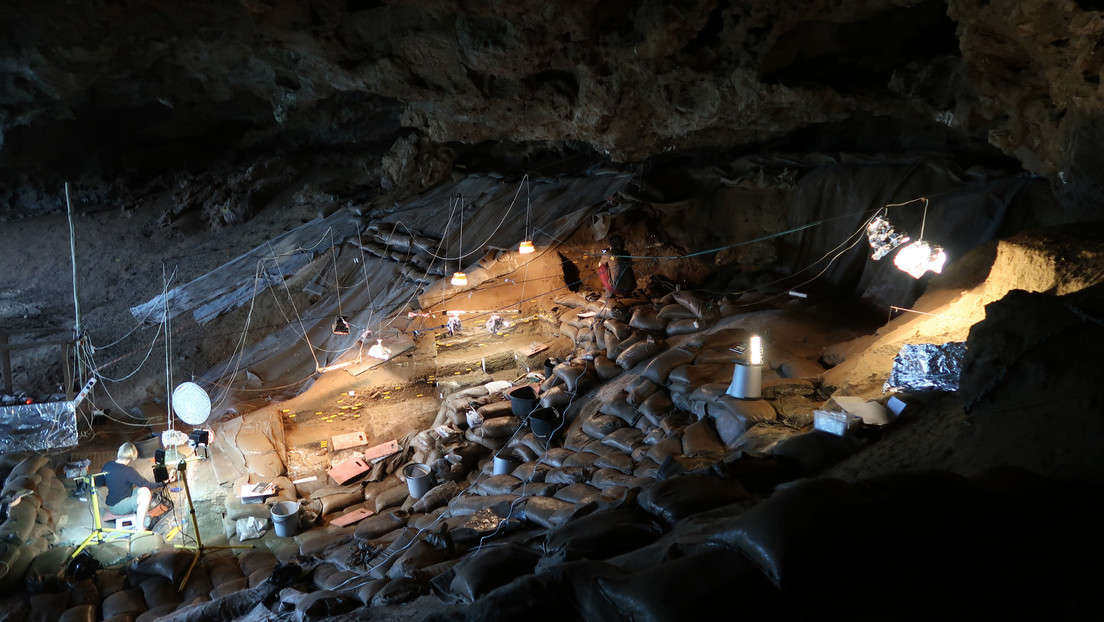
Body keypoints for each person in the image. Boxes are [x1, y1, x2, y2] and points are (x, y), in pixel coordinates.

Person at [102, 442, 156, 530]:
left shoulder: (107, 465)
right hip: (118, 506)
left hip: (115, 500)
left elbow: (98, 482)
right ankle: (140, 528)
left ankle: (142, 514)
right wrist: (164, 482)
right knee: (145, 497)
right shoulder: (128, 471)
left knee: (144, 490)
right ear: (130, 457)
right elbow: (146, 483)